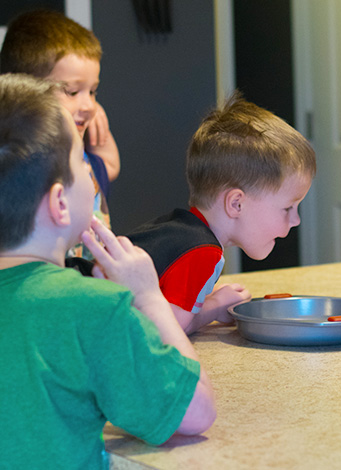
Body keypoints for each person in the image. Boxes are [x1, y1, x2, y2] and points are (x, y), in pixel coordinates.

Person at [0, 74, 216, 468]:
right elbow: (196, 412)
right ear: (59, 204)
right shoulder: (91, 308)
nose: (91, 174)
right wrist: (148, 299)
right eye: (82, 161)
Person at [128, 92, 317, 335]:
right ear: (236, 204)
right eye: (288, 208)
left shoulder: (179, 229)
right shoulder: (202, 252)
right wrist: (215, 306)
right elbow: (164, 331)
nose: (296, 221)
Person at [1, 9, 121, 254]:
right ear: (22, 90)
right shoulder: (19, 167)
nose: (88, 106)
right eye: (73, 92)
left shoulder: (86, 162)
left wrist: (99, 117)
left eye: (93, 92)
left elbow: (110, 165)